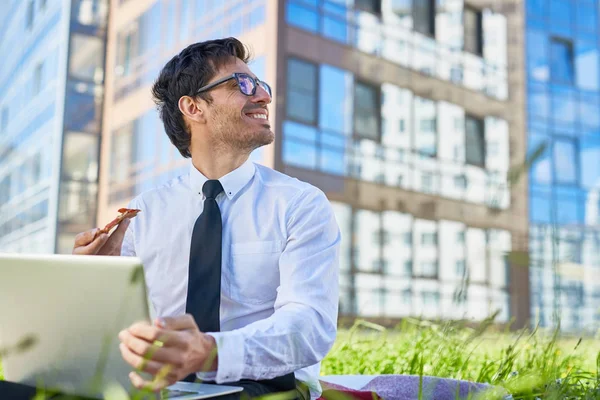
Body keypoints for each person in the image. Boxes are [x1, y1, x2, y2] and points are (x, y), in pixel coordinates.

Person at [0, 38, 340, 400]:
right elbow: (114, 335)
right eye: (243, 84)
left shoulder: (300, 204)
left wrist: (211, 352)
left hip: (268, 386)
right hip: (165, 388)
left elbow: (309, 326)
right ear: (193, 107)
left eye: (260, 86)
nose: (263, 96)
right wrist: (93, 286)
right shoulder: (144, 213)